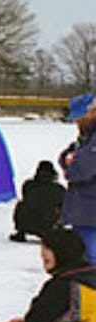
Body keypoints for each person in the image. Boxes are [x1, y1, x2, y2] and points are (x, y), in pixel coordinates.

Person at [59, 99, 96, 263]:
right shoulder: (86, 136)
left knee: (89, 258)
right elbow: (65, 156)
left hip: (90, 211)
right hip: (84, 209)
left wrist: (69, 167)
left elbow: (80, 170)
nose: (77, 123)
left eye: (79, 118)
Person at [9, 161, 65, 242]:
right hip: (48, 225)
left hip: (28, 224)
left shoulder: (28, 185)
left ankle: (21, 232)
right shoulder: (59, 189)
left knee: (22, 204)